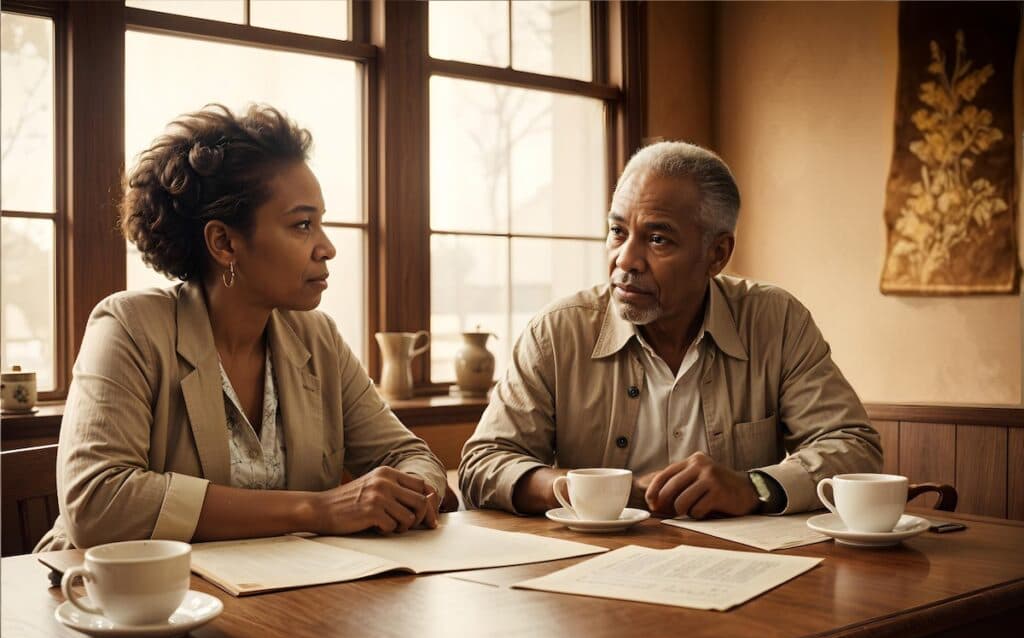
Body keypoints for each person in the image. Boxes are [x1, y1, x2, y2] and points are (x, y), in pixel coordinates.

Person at [37, 105, 448, 551]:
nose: (326, 247)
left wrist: (408, 494)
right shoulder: (129, 327)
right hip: (118, 606)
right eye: (302, 225)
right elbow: (99, 504)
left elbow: (411, 457)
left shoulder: (318, 338)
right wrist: (320, 509)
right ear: (224, 242)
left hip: (281, 597)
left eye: (321, 223)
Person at [459, 141, 881, 519]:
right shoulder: (557, 332)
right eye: (617, 231)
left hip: (741, 573)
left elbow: (854, 447)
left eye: (657, 239)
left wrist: (754, 487)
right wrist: (591, 490)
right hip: (590, 575)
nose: (626, 260)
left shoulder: (777, 321)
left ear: (717, 254)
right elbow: (483, 464)